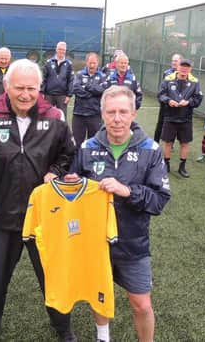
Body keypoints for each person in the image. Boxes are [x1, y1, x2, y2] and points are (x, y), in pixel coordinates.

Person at [0, 59, 77, 342]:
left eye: (31, 88)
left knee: (52, 276)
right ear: (6, 86)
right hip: (1, 215)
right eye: (19, 88)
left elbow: (69, 155)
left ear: (40, 88)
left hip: (45, 217)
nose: (25, 94)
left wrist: (56, 171)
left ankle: (63, 328)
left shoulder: (55, 117)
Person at [67, 85, 171, 342]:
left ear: (134, 114)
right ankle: (103, 338)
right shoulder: (87, 147)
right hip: (95, 242)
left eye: (123, 112)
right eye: (111, 112)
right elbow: (73, 193)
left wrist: (127, 191)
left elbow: (159, 200)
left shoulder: (151, 149)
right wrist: (71, 184)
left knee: (141, 304)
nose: (117, 118)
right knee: (99, 296)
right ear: (102, 114)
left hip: (132, 244)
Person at [158, 58, 203, 177]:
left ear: (190, 69)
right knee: (167, 142)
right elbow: (161, 95)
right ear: (177, 67)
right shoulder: (168, 79)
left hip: (186, 118)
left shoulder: (195, 82)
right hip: (170, 117)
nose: (184, 68)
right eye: (182, 66)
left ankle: (182, 167)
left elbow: (198, 99)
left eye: (187, 67)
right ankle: (166, 165)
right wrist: (168, 101)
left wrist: (188, 102)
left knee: (185, 143)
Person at [71, 52, 106, 146]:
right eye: (90, 63)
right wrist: (92, 93)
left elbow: (102, 90)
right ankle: (78, 160)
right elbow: (75, 89)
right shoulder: (79, 74)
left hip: (95, 115)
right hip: (79, 114)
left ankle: (90, 161)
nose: (92, 65)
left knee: (94, 143)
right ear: (86, 63)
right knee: (77, 144)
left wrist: (87, 87)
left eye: (94, 63)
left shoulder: (102, 77)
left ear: (97, 63)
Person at [41, 41, 74, 120]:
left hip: (62, 95)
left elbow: (71, 80)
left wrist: (69, 95)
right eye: (60, 49)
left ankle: (61, 132)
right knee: (47, 116)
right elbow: (43, 78)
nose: (61, 51)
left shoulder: (69, 64)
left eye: (63, 50)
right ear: (56, 49)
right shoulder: (48, 62)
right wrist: (42, 92)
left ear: (65, 51)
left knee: (62, 118)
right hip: (49, 95)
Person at [153, 53, 181, 142]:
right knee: (160, 123)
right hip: (166, 103)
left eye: (176, 61)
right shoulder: (167, 73)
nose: (174, 62)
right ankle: (155, 142)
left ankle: (170, 143)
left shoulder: (183, 74)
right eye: (173, 61)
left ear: (180, 62)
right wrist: (165, 100)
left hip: (177, 105)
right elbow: (163, 89)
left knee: (173, 125)